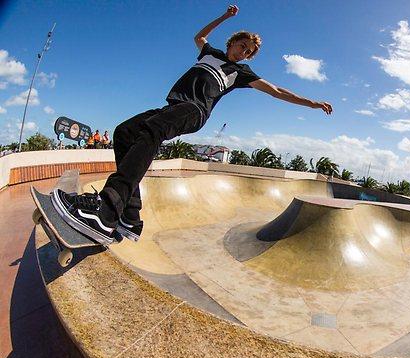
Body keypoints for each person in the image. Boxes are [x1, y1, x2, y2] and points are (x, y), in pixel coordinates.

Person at [51, 5, 332, 244]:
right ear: (232, 43)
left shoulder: (241, 73)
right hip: (173, 107)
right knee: (124, 132)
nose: (243, 53)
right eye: (241, 46)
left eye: (248, 52)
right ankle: (130, 216)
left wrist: (312, 103)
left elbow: (276, 90)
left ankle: (106, 212)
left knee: (153, 129)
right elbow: (199, 36)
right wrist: (225, 17)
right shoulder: (209, 53)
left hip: (195, 111)